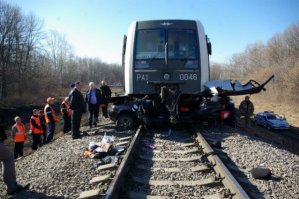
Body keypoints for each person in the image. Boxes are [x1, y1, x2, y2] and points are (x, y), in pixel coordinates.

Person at [0, 119, 30, 195]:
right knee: (8, 157)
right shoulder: (15, 126)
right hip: (17, 141)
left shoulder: (22, 125)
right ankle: (12, 187)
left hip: (21, 140)